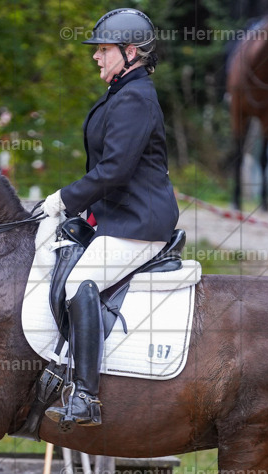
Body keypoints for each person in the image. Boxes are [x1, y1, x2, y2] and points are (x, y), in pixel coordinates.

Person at [42, 8, 178, 429]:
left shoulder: (135, 97)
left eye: (103, 49)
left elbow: (116, 169)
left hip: (139, 222)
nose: (96, 57)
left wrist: (64, 199)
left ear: (131, 51)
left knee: (80, 285)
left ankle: (85, 396)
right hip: (118, 216)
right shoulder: (123, 91)